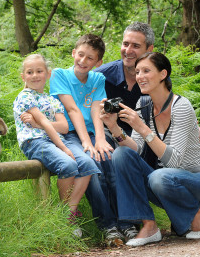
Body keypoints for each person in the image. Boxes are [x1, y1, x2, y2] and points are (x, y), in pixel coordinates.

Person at [100, 51, 200, 247]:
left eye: (146, 71)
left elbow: (174, 161)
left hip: (193, 180)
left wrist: (141, 127)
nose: (140, 76)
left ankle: (195, 216)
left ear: (163, 74)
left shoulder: (181, 106)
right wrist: (113, 127)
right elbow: (136, 150)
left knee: (159, 176)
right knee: (122, 154)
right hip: (166, 183)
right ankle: (149, 225)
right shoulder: (143, 104)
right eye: (137, 72)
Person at [50, 34, 136, 245]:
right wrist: (87, 143)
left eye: (90, 58)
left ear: (98, 63)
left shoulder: (97, 79)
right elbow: (72, 109)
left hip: (89, 133)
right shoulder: (59, 75)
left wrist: (99, 139)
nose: (83, 61)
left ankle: (126, 222)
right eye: (80, 55)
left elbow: (98, 111)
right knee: (93, 168)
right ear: (73, 53)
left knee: (109, 159)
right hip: (68, 134)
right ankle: (108, 226)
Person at [13, 54, 101, 238]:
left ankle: (67, 212)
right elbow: (46, 123)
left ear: (48, 74)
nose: (35, 75)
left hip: (57, 139)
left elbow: (64, 126)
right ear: (23, 76)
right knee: (68, 164)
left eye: (39, 71)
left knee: (88, 164)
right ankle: (66, 219)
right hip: (35, 141)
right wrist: (64, 148)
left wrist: (37, 124)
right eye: (30, 72)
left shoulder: (52, 99)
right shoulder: (25, 97)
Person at [95, 21, 154, 137]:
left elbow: (169, 107)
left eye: (136, 46)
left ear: (149, 49)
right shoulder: (100, 76)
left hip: (146, 138)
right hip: (107, 136)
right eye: (125, 44)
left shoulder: (157, 80)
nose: (128, 51)